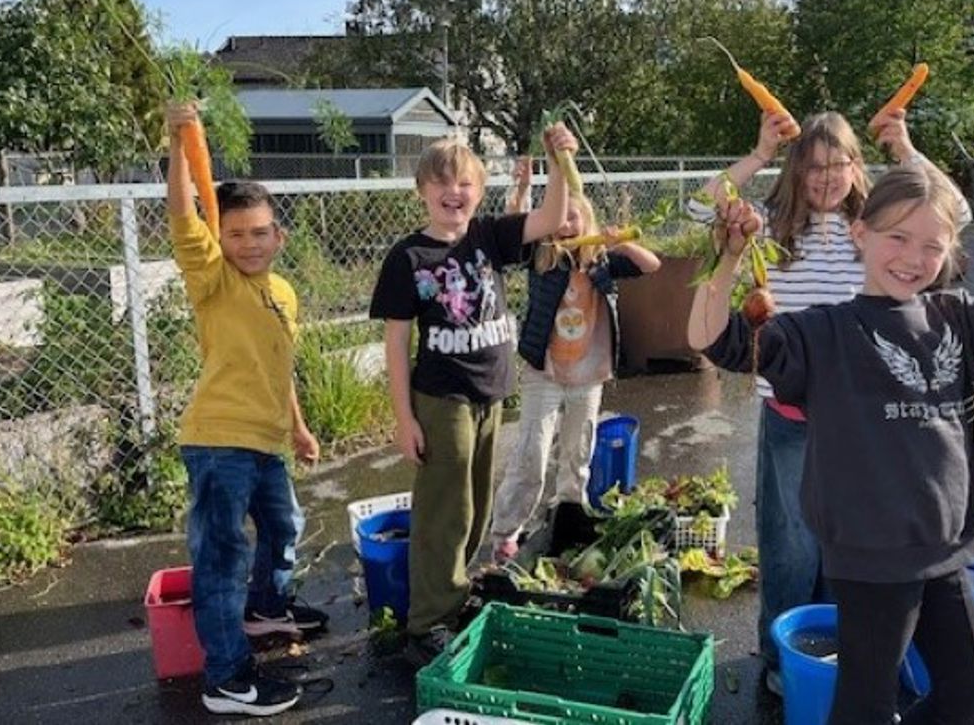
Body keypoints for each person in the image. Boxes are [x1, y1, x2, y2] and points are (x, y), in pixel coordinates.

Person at [687, 162, 974, 724]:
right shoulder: (823, 334)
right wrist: (728, 256)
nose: (913, 257)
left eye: (932, 245)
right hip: (872, 555)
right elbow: (712, 339)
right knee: (866, 706)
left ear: (950, 251)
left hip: (946, 548)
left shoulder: (963, 319)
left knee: (967, 701)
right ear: (861, 234)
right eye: (897, 237)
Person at [690, 107, 945, 695]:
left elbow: (949, 213)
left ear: (858, 168)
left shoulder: (878, 229)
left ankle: (836, 655)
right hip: (791, 416)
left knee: (849, 544)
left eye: (840, 164)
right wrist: (757, 154)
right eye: (814, 167)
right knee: (791, 549)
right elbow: (696, 208)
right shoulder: (773, 225)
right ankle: (782, 659)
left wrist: (905, 151)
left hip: (861, 420)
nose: (827, 178)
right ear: (797, 172)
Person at [369, 126, 577, 666]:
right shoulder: (408, 257)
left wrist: (559, 161)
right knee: (447, 506)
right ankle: (426, 622)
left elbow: (552, 219)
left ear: (479, 192)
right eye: (441, 181)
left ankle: (453, 595)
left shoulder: (487, 236)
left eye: (464, 182)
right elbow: (396, 340)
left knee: (478, 502)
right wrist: (403, 416)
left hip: (490, 393)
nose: (453, 191)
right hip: (441, 396)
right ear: (421, 190)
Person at [166, 103, 325, 717]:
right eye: (235, 233)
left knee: (285, 528)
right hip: (217, 442)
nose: (249, 243)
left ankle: (265, 612)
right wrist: (182, 142)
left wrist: (300, 428)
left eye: (260, 232)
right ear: (220, 239)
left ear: (279, 235)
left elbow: (278, 368)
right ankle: (227, 679)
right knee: (222, 557)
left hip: (266, 442)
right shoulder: (213, 281)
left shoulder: (282, 292)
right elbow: (184, 215)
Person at [489, 178, 661, 562]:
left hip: (588, 376)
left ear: (588, 222)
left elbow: (652, 265)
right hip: (545, 373)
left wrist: (622, 243)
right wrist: (520, 195)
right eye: (559, 219)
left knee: (577, 454)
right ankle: (505, 532)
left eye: (574, 219)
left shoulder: (601, 262)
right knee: (531, 453)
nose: (566, 227)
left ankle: (566, 515)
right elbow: (512, 236)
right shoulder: (541, 256)